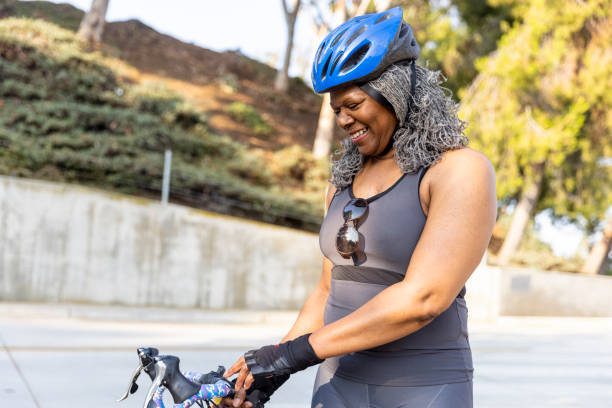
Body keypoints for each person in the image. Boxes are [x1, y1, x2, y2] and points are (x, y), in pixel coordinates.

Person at [223, 6, 497, 408]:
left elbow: (424, 299)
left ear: (397, 91)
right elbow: (325, 292)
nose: (343, 119)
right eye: (336, 110)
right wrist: (269, 373)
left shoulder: (459, 171)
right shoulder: (341, 184)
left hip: (423, 390)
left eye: (352, 103)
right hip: (336, 387)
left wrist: (292, 355)